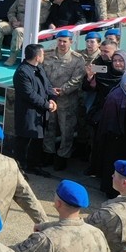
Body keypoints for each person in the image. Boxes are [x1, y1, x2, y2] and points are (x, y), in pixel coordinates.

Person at [42, 30, 87, 170]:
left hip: (67, 100)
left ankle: (62, 157)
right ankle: (47, 154)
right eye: (60, 41)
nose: (62, 44)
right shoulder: (47, 55)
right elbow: (42, 74)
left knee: (66, 130)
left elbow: (77, 79)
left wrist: (62, 90)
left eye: (65, 41)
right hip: (49, 98)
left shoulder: (77, 59)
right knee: (49, 127)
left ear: (71, 42)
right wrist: (49, 90)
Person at [12, 43, 57, 174]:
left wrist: (52, 98)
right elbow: (29, 94)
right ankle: (19, 170)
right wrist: (47, 105)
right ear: (37, 57)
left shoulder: (39, 68)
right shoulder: (22, 72)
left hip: (39, 113)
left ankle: (34, 165)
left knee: (37, 140)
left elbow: (47, 85)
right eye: (42, 54)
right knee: (23, 142)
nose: (44, 56)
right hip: (28, 113)